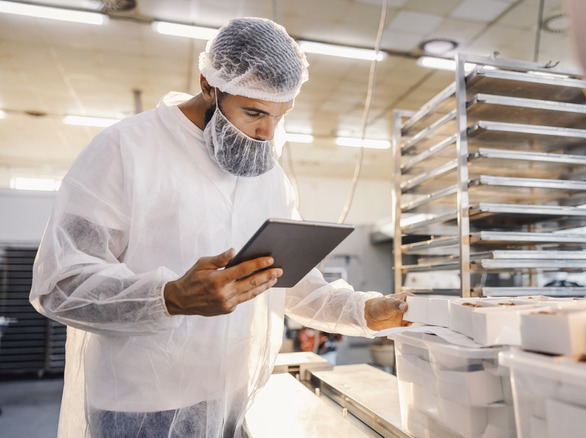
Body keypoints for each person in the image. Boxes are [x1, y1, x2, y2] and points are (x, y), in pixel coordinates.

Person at [29, 17, 408, 438]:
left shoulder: (268, 176)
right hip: (140, 408)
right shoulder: (126, 149)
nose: (267, 133)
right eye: (254, 112)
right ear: (209, 85)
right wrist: (170, 296)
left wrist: (364, 312)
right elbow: (60, 284)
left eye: (280, 116)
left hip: (230, 400)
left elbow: (288, 282)